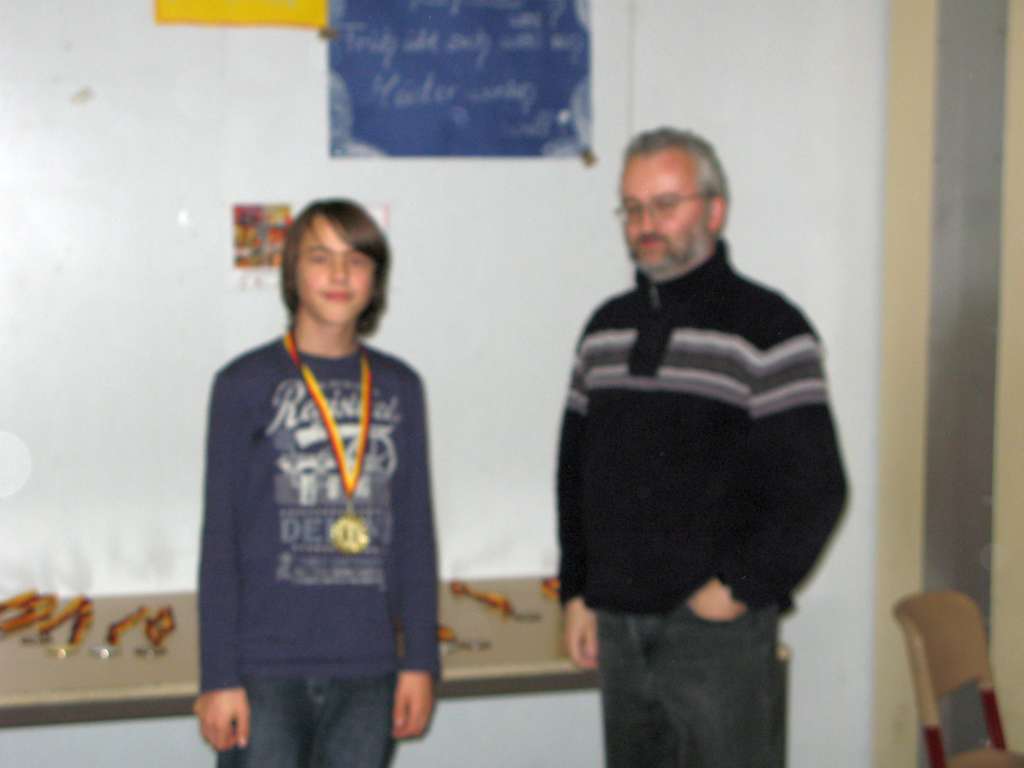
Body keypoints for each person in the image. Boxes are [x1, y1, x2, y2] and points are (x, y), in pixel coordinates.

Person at [557, 128, 847, 767]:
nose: (645, 225)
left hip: (717, 635)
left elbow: (818, 489)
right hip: (618, 625)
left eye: (666, 205)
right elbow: (573, 473)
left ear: (715, 211)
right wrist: (576, 592)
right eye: (633, 208)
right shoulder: (604, 330)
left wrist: (735, 590)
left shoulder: (769, 329)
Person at [194, 199, 439, 767]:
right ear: (292, 273)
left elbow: (416, 537)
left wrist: (421, 662)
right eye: (320, 257)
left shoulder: (401, 387)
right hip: (264, 668)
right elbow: (219, 541)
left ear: (376, 280)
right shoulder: (242, 384)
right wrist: (218, 676)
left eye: (356, 260)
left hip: (368, 667)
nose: (338, 274)